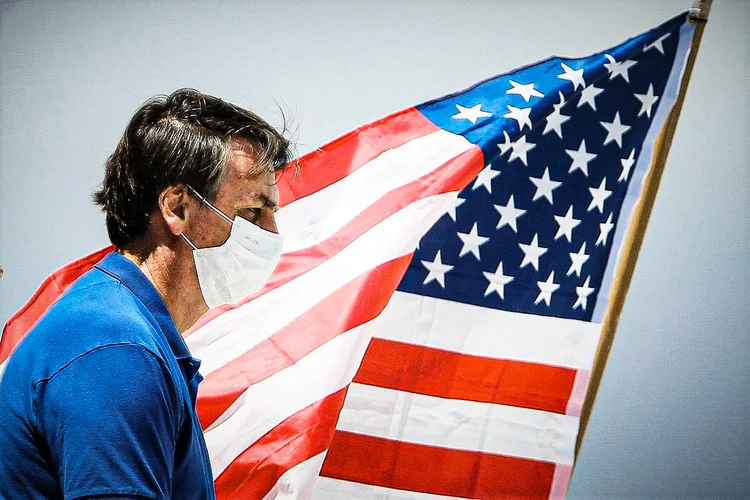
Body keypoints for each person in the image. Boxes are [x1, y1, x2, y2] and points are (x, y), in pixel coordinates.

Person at [0, 89, 293, 499]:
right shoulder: (114, 350)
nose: (271, 234)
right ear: (177, 207)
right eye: (251, 212)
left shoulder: (127, 335)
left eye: (272, 213)